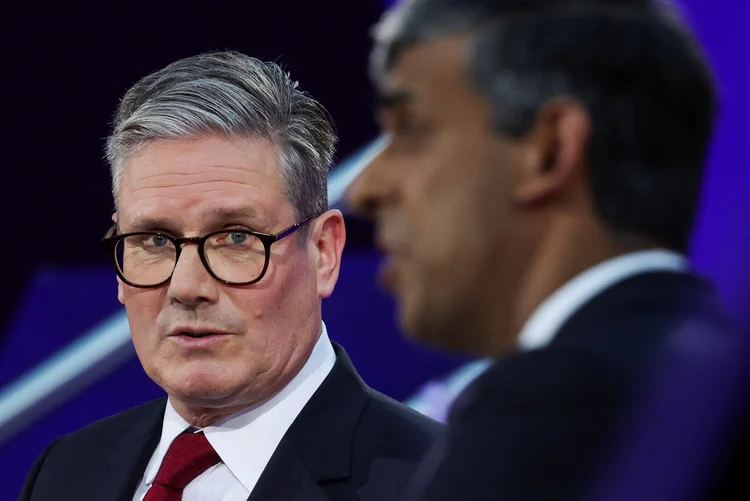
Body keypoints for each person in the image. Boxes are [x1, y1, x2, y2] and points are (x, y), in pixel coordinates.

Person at [347, 0, 740, 499]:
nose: (365, 188)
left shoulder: (556, 400)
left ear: (549, 149)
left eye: (411, 129)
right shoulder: (712, 378)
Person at [19, 51, 441, 501]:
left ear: (323, 252)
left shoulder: (444, 483)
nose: (186, 288)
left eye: (235, 237)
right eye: (155, 240)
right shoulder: (64, 472)